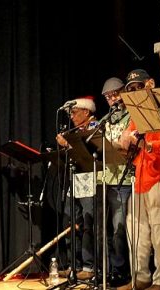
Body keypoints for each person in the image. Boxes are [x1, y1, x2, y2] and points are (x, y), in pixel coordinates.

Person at [121, 69, 160, 290]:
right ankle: (140, 277)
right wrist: (124, 139)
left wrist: (148, 145)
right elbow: (127, 138)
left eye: (138, 87)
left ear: (150, 84)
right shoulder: (135, 115)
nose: (134, 92)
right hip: (139, 178)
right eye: (131, 90)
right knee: (136, 232)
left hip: (157, 178)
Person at [56, 96, 99, 280]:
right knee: (71, 220)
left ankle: (89, 267)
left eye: (74, 112)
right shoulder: (75, 129)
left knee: (88, 222)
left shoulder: (95, 126)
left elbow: (89, 154)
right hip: (75, 178)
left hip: (90, 178)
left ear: (86, 112)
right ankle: (75, 265)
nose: (71, 117)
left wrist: (68, 144)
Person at [98, 77, 132, 288]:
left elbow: (125, 145)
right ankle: (108, 270)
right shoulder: (105, 119)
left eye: (114, 94)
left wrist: (113, 145)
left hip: (124, 179)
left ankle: (121, 272)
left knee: (119, 228)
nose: (111, 99)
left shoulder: (131, 117)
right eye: (108, 97)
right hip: (106, 179)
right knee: (104, 230)